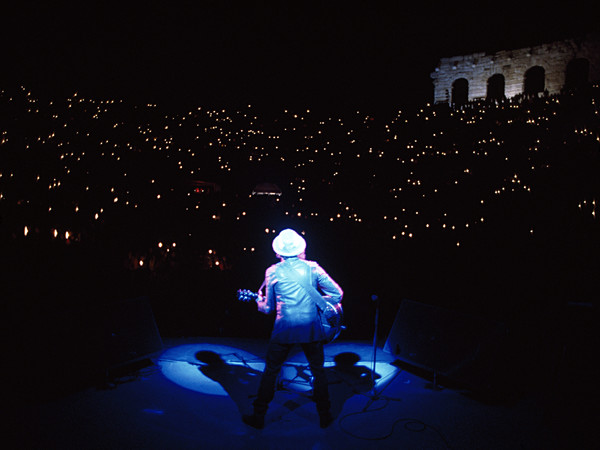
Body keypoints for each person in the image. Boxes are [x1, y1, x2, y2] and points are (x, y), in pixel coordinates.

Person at [242, 228, 343, 429]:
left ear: (278, 251)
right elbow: (338, 294)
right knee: (318, 371)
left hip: (284, 329)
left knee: (271, 371)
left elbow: (268, 308)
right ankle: (324, 415)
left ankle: (259, 416)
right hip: (311, 329)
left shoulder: (271, 271)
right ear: (300, 248)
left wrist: (258, 302)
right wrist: (317, 302)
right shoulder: (313, 268)